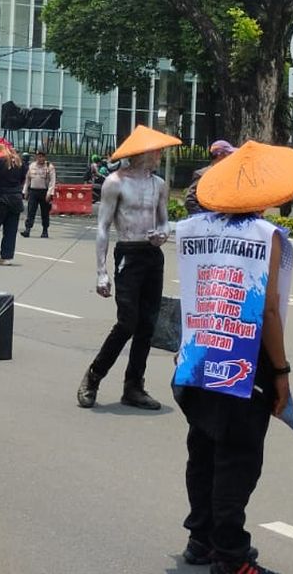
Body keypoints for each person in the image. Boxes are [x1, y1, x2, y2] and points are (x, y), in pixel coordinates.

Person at [173, 140, 293, 574]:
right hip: (243, 361)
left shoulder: (192, 228)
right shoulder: (265, 236)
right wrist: (282, 371)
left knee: (203, 449)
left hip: (196, 356)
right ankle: (230, 556)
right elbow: (267, 309)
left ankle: (201, 540)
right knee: (238, 459)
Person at [77, 124, 180, 410]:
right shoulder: (115, 182)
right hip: (128, 253)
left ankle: (134, 385)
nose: (160, 155)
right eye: (156, 150)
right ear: (143, 153)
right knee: (127, 322)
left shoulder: (158, 184)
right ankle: (94, 376)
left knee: (148, 324)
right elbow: (102, 227)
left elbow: (164, 221)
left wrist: (163, 234)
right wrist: (101, 272)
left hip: (152, 255)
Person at [0, 138, 27, 264]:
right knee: (10, 230)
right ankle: (6, 257)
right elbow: (23, 178)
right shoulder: (18, 160)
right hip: (16, 198)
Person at [184, 139, 237, 215]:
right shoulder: (202, 174)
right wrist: (205, 217)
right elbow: (190, 200)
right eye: (229, 154)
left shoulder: (227, 174)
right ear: (220, 155)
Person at [21, 149, 57, 239]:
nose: (40, 158)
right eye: (38, 156)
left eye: (42, 156)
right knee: (30, 211)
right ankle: (27, 229)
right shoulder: (32, 166)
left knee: (45, 212)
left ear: (45, 157)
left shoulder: (49, 167)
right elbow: (27, 179)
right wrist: (25, 191)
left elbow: (52, 181)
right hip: (33, 191)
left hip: (44, 192)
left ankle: (45, 230)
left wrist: (50, 193)